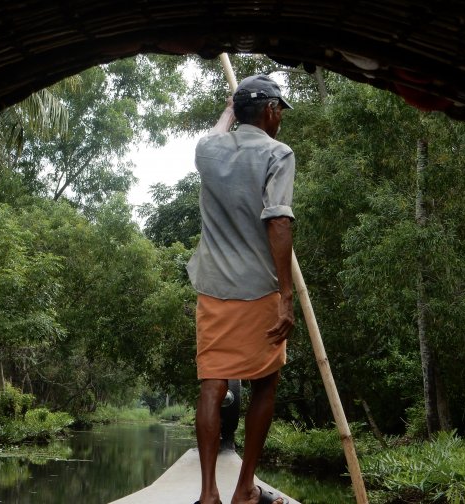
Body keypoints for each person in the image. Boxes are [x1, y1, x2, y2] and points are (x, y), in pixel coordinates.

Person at [187, 74, 296, 504]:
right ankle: (244, 487)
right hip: (258, 287)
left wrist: (229, 109)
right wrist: (286, 296)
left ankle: (209, 495)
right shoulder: (277, 152)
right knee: (265, 383)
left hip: (213, 287)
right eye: (280, 111)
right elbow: (279, 220)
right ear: (270, 111)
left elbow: (217, 130)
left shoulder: (208, 150)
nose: (280, 120)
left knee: (212, 384)